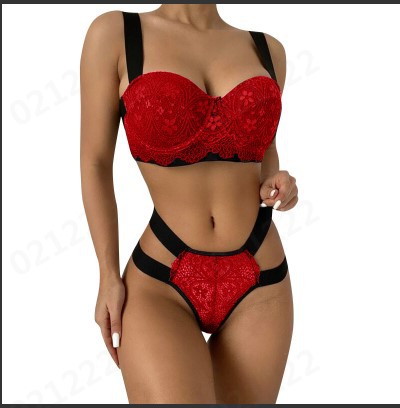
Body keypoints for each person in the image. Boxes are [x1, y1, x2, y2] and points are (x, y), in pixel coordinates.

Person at [80, 4, 298, 404]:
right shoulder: (115, 34)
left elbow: (264, 152)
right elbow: (94, 162)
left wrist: (277, 182)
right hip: (161, 278)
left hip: (262, 278)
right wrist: (107, 274)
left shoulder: (268, 49)